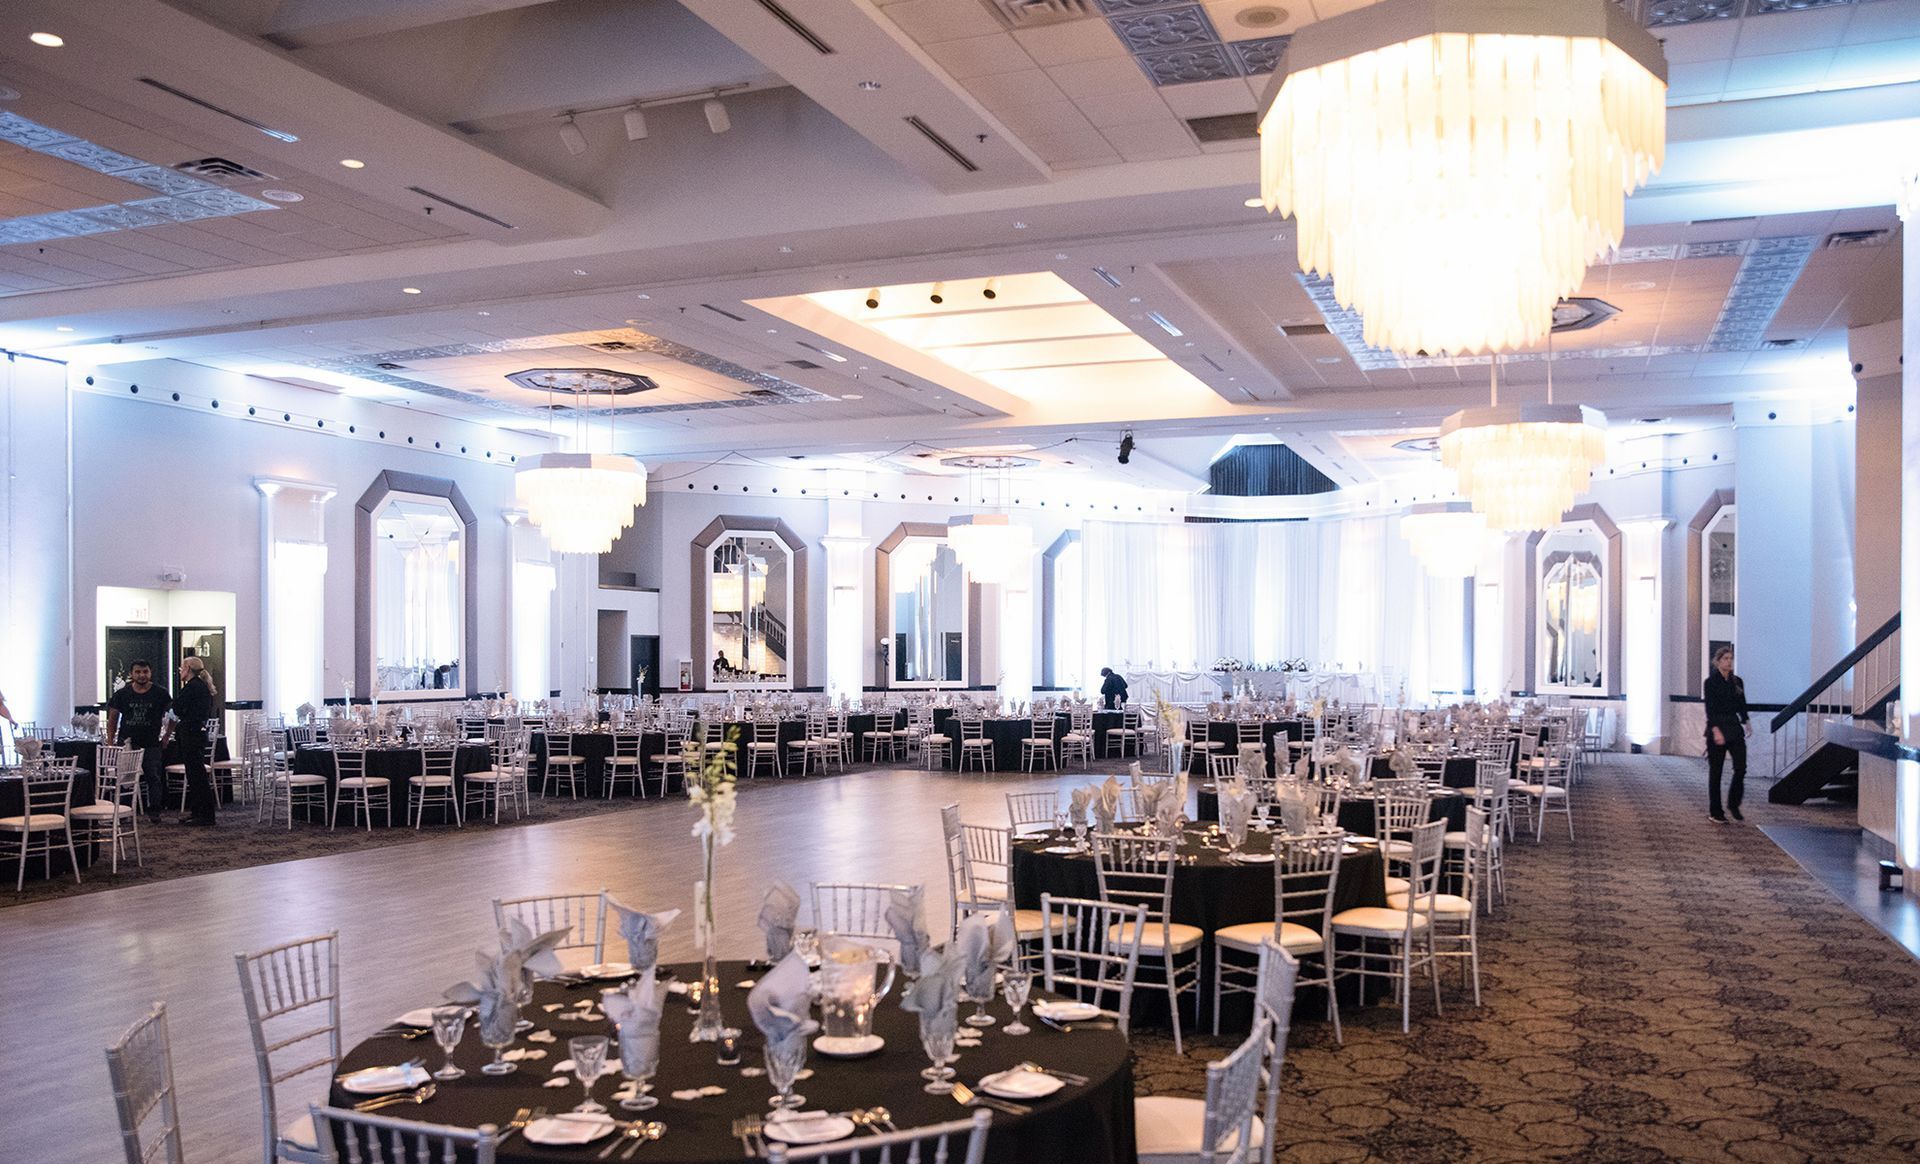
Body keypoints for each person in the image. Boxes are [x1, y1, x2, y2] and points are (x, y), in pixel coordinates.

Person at [106, 660, 172, 822]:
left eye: (145, 672)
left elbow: (173, 716)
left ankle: (155, 811)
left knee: (154, 777)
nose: (142, 675)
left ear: (150, 673)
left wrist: (167, 736)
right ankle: (124, 811)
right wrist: (110, 740)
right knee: (125, 778)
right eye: (138, 672)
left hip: (151, 742)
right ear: (131, 674)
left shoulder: (160, 693)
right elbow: (112, 718)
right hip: (127, 742)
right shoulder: (122, 694)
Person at [168, 655, 221, 826]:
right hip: (195, 732)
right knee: (194, 775)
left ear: (188, 669)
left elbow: (176, 707)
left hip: (191, 733)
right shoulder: (200, 686)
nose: (180, 671)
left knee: (196, 776)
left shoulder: (193, 687)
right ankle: (198, 811)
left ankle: (204, 815)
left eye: (182, 668)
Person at [1703, 645, 1750, 823]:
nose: (1729, 662)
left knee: (1741, 767)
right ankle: (1716, 812)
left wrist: (1746, 721)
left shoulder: (1737, 681)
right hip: (1717, 728)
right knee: (1716, 772)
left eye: (1731, 659)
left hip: (1734, 727)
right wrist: (1716, 731)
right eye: (1725, 659)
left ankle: (1733, 803)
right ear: (1718, 661)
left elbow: (1741, 703)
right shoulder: (1711, 682)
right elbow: (1710, 709)